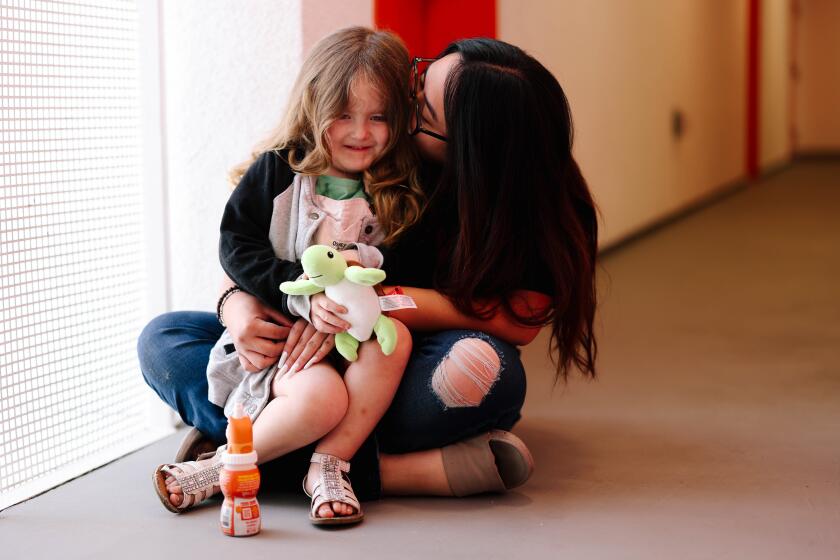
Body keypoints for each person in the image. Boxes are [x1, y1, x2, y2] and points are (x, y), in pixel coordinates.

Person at [140, 33, 598, 523]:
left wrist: (371, 301)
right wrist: (239, 304)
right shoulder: (325, 158)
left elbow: (516, 322)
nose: (402, 107)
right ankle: (404, 471)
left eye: (421, 110)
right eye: (418, 82)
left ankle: (244, 453)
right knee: (165, 339)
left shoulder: (439, 190)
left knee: (488, 372)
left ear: (467, 148)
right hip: (296, 353)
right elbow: (249, 247)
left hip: (389, 362)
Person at [153, 26, 423, 525]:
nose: (361, 133)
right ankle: (225, 468)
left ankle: (328, 465)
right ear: (313, 107)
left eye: (379, 117)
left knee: (397, 342)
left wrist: (363, 289)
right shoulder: (278, 171)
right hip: (288, 348)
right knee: (319, 397)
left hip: (357, 342)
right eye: (344, 115)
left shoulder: (399, 185)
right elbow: (236, 246)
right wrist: (299, 297)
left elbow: (408, 263)